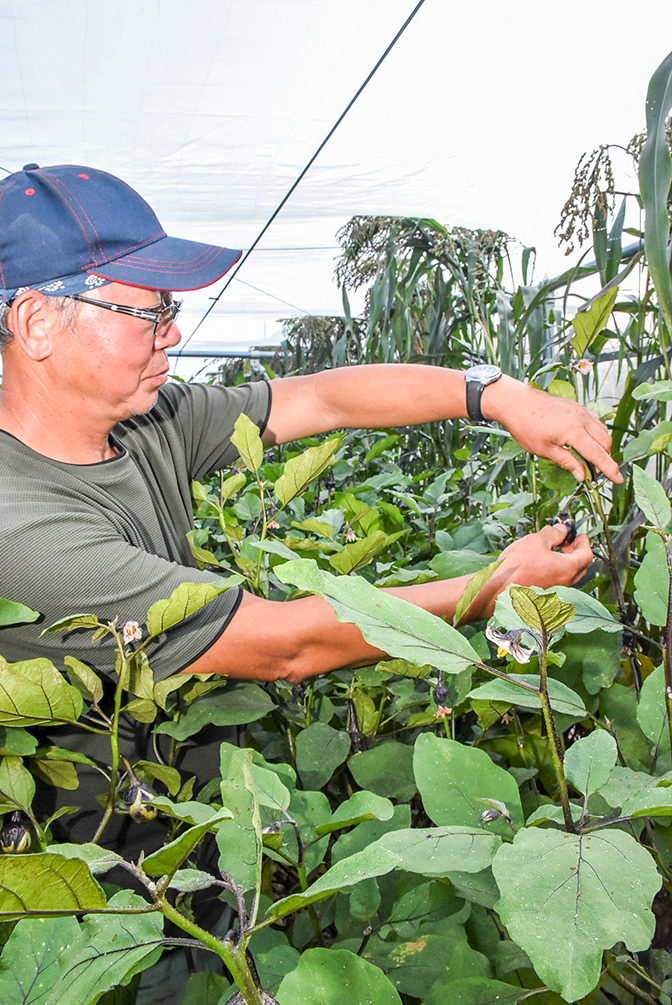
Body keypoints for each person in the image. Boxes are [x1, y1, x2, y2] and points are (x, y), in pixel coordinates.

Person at [0, 163, 622, 692]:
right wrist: (493, 590)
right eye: (149, 312)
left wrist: (497, 395)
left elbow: (322, 399)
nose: (173, 334)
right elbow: (285, 645)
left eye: (173, 309)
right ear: (37, 324)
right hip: (114, 834)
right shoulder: (19, 527)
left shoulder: (151, 421)